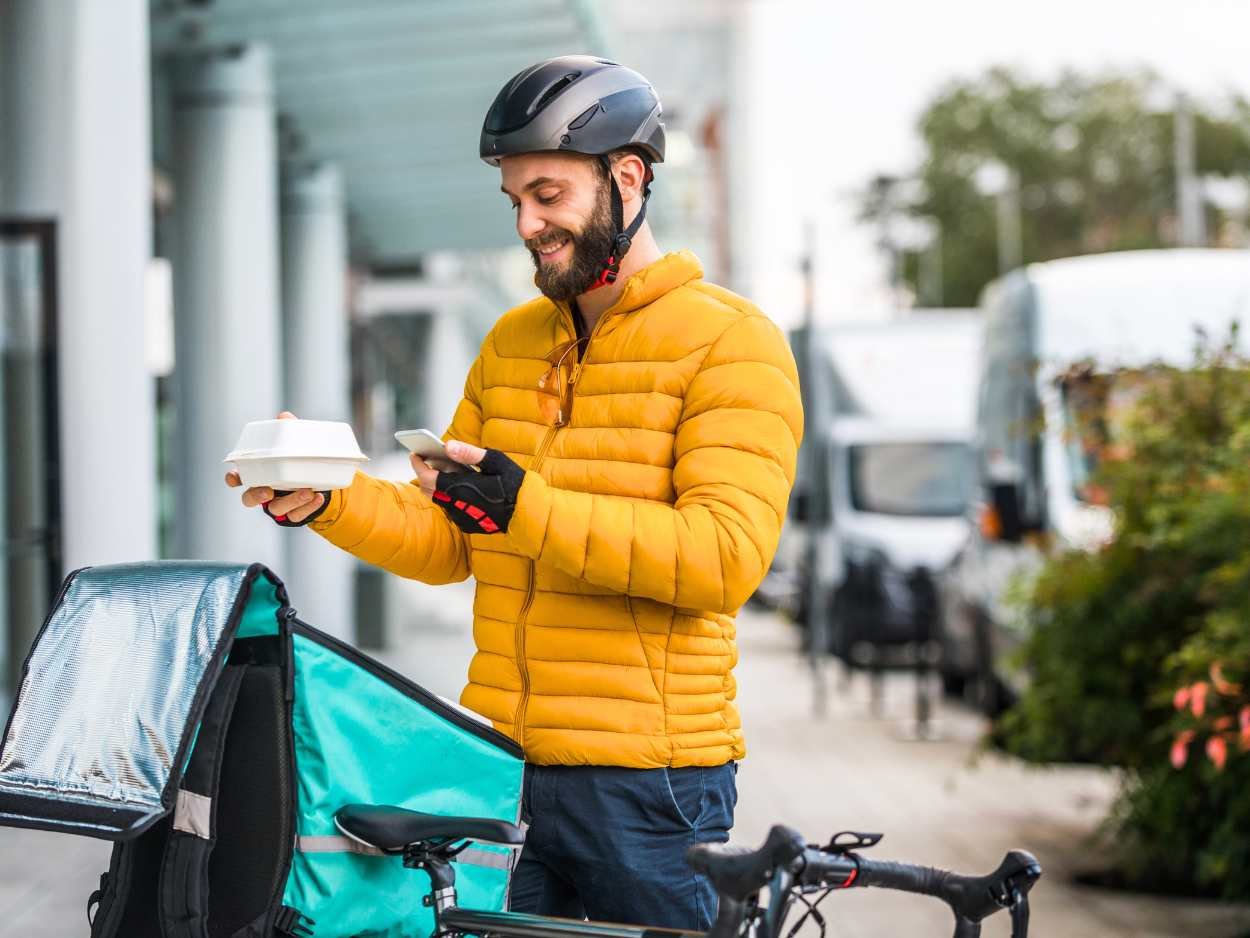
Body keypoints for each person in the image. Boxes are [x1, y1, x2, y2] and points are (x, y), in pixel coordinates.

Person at [226, 55, 803, 930]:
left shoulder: (732, 344)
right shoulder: (512, 340)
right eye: (516, 203)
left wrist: (520, 505)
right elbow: (453, 543)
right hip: (501, 766)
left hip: (650, 787)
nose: (530, 224)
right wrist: (329, 500)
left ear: (630, 177)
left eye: (548, 194)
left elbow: (723, 560)